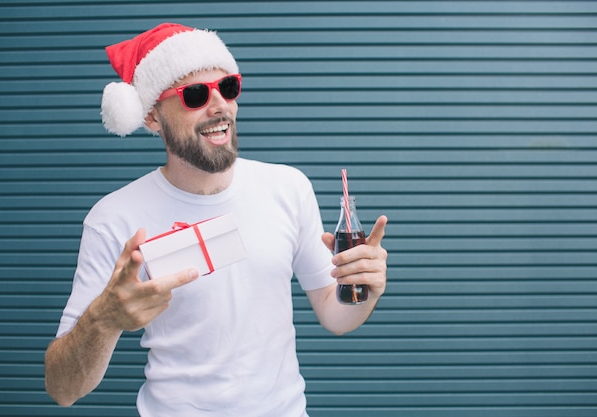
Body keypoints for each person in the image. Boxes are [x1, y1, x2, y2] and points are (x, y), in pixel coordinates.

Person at [44, 23, 388, 417]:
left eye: (227, 87)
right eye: (194, 95)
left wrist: (362, 287)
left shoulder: (288, 187)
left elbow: (335, 314)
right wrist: (103, 320)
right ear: (152, 118)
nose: (219, 105)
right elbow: (62, 388)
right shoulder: (113, 218)